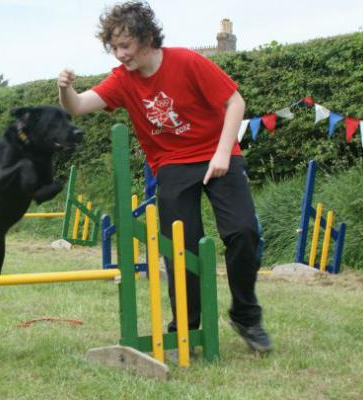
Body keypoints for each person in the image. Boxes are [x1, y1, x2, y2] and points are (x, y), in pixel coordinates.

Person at [57, 1, 271, 353]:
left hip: (220, 155)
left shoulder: (186, 62)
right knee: (180, 247)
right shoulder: (121, 81)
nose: (119, 53)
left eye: (125, 45)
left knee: (244, 232)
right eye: (114, 46)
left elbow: (235, 101)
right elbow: (77, 106)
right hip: (172, 165)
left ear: (146, 38)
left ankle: (246, 315)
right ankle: (184, 328)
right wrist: (64, 88)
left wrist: (221, 153)